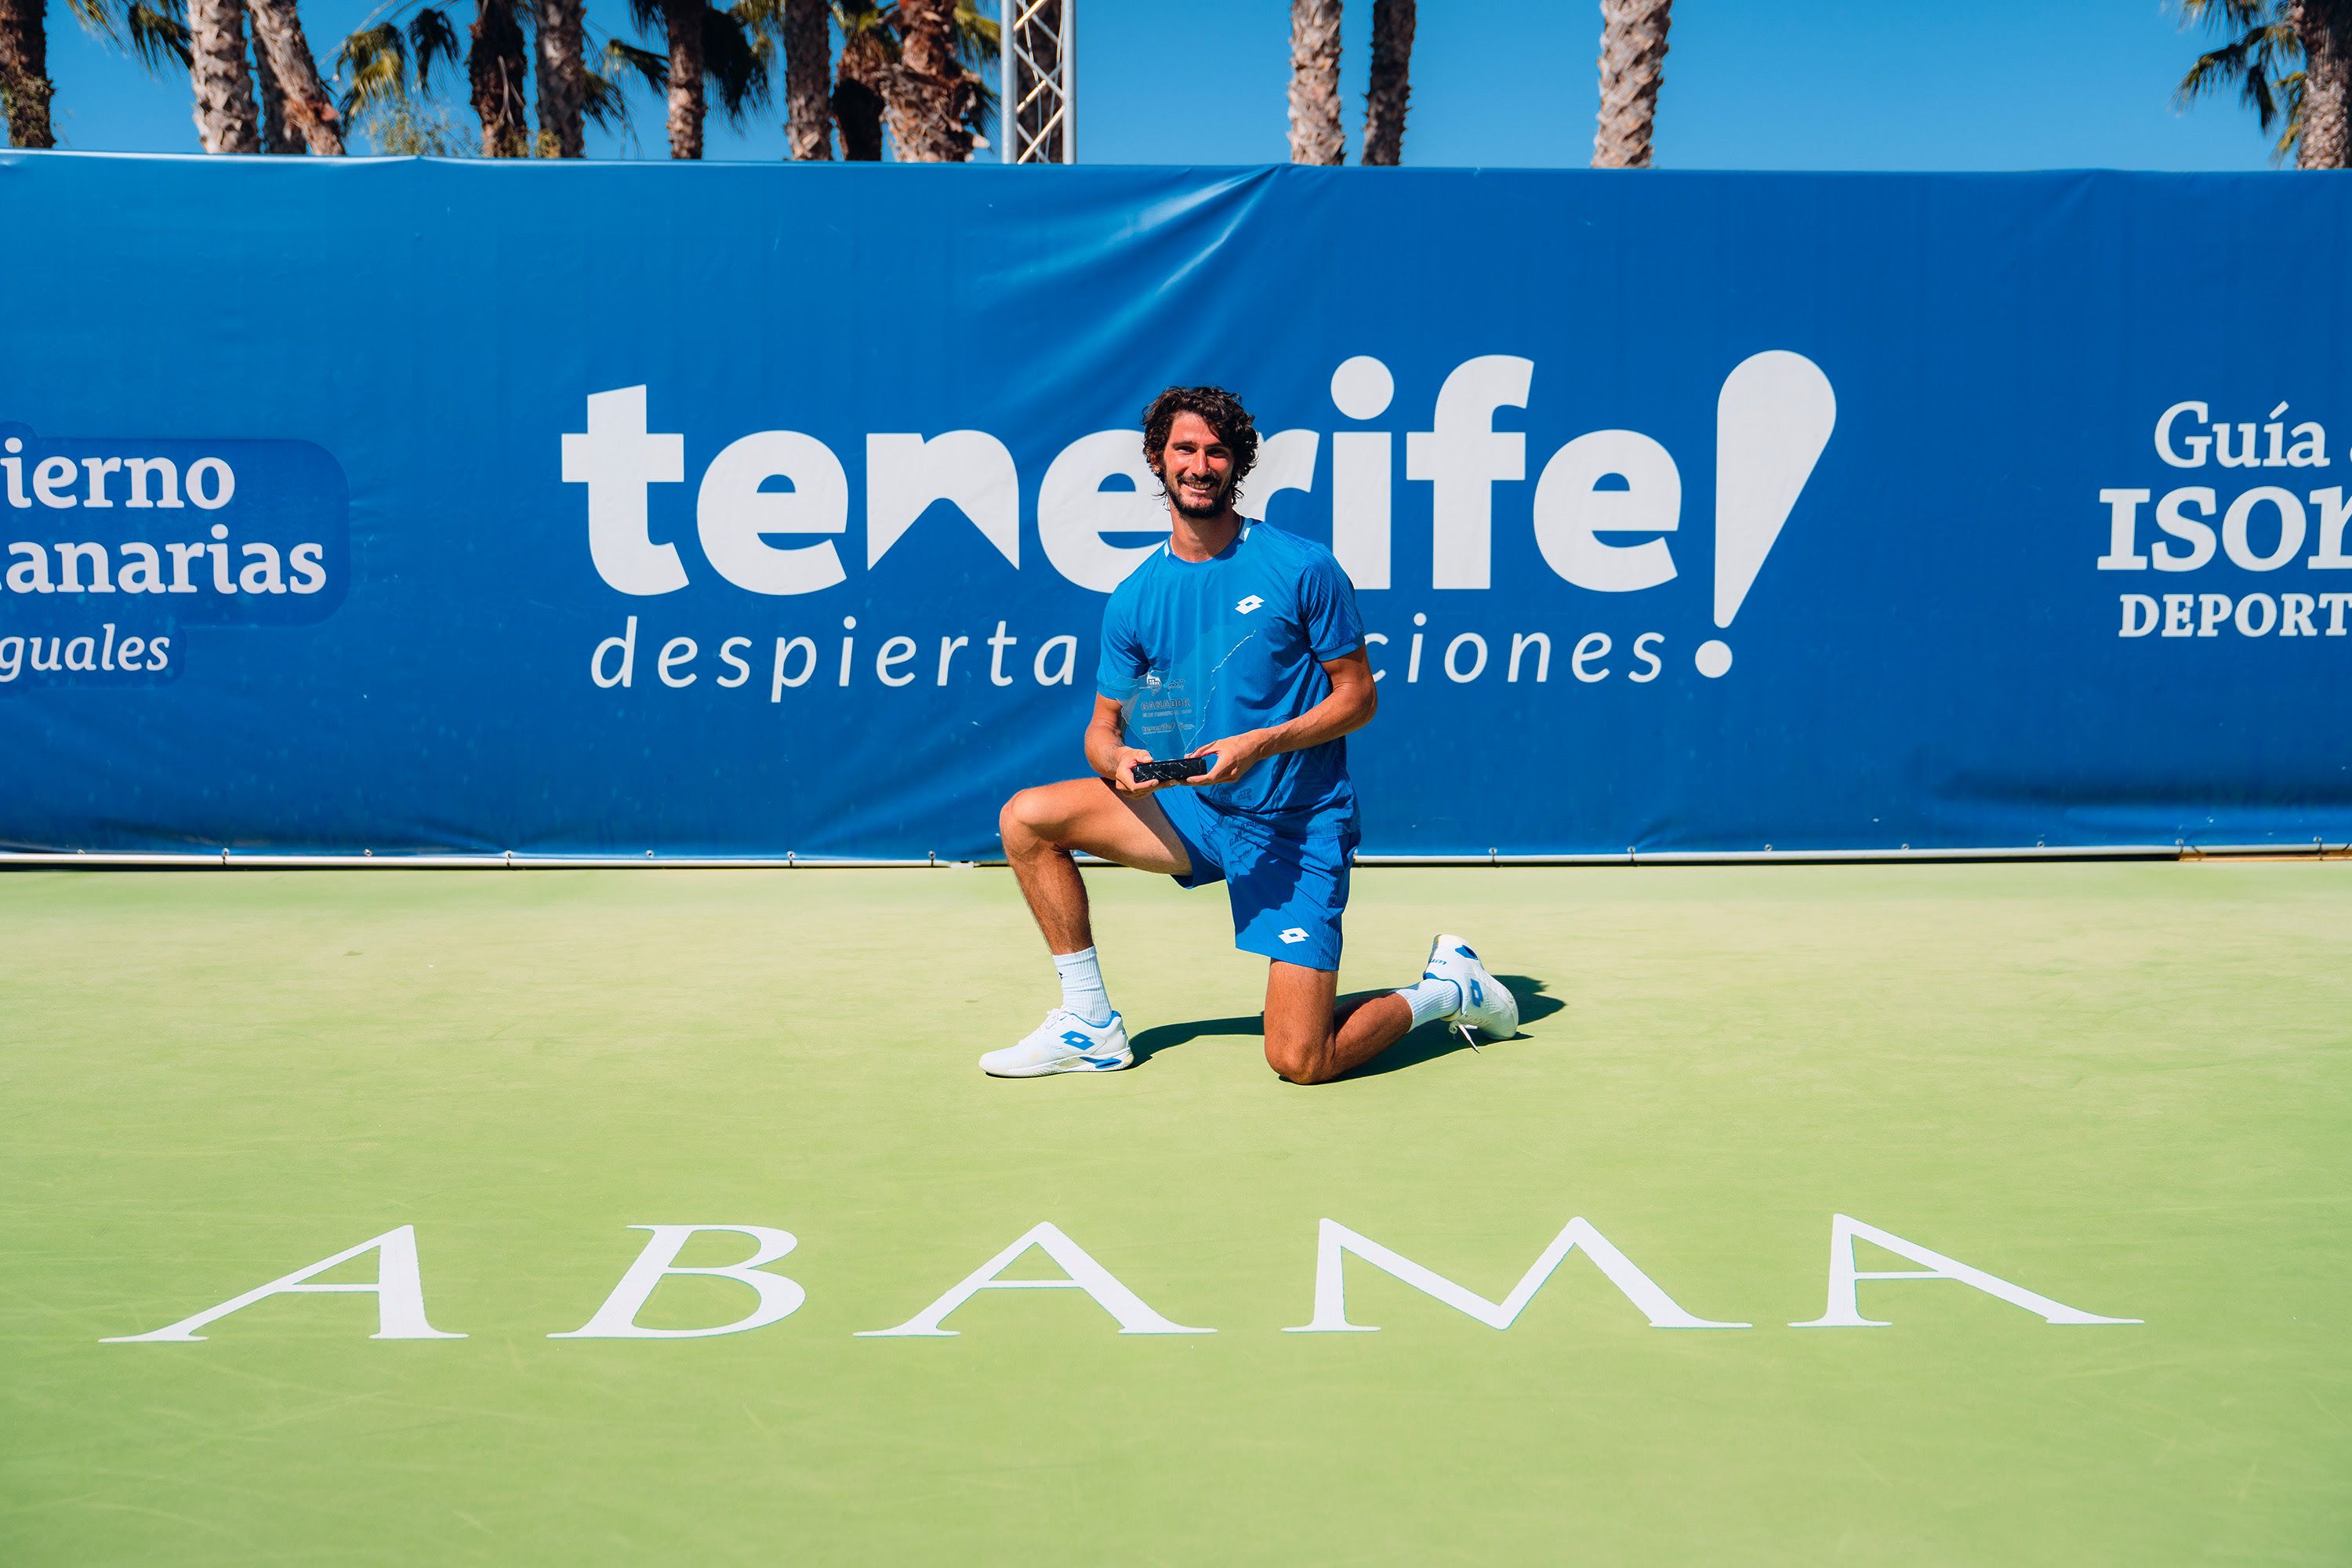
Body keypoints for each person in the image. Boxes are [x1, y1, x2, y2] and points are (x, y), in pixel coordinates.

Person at [983, 385, 1517, 1083]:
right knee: (1027, 819)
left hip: (1298, 824)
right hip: (1195, 810)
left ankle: (1450, 988)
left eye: (1216, 451)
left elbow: (1358, 698)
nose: (1200, 465)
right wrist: (1117, 758)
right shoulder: (1135, 597)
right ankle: (1089, 1023)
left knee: (1302, 1059)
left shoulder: (1302, 566)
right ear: (1156, 459)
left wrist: (1259, 745)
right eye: (1185, 449)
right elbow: (1101, 728)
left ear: (1237, 465)